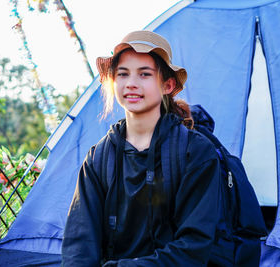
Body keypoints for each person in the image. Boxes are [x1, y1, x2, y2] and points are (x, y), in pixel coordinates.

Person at [61, 30, 221, 266]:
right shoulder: (99, 158)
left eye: (144, 74)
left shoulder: (194, 152)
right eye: (123, 74)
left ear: (167, 85)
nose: (131, 84)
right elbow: (79, 242)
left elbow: (194, 248)